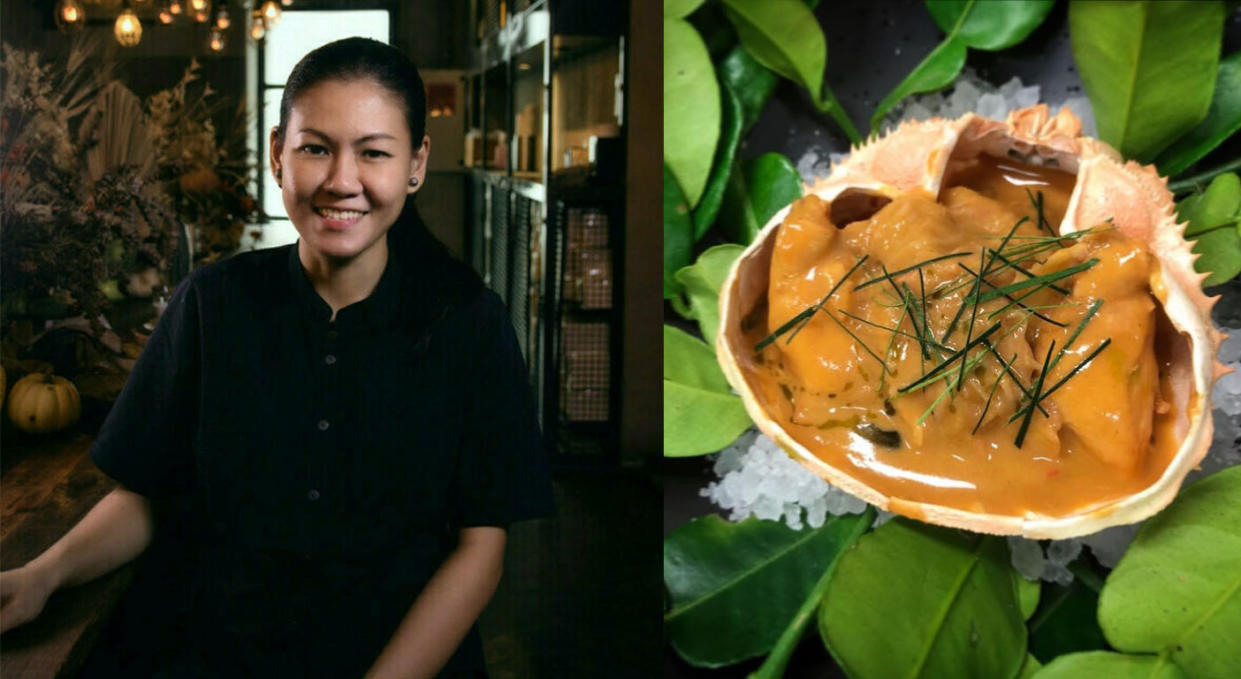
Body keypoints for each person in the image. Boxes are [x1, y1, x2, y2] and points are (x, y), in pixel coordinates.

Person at [0, 37, 554, 678]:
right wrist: (46, 573)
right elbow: (148, 496)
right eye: (315, 147)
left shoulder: (470, 324)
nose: (342, 180)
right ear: (276, 155)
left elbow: (481, 547)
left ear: (416, 164)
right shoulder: (211, 303)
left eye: (374, 152)